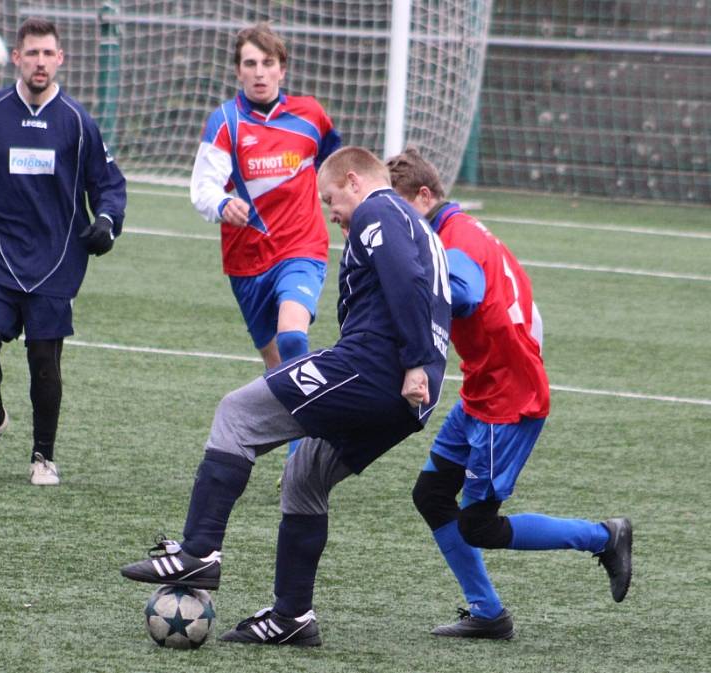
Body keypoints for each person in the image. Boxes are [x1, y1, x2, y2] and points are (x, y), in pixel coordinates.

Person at [121, 147, 452, 647]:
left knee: (236, 413)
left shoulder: (379, 209)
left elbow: (405, 282)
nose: (331, 211)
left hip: (375, 369)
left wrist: (411, 362)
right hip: (410, 397)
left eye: (331, 199)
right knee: (305, 475)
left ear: (354, 181)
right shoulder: (419, 225)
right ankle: (292, 615)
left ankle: (199, 551)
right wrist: (420, 366)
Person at [385, 147, 632, 640]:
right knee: (432, 494)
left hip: (507, 399)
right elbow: (523, 306)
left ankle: (605, 537)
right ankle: (488, 613)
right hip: (487, 384)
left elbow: (465, 292)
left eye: (396, 211)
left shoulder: (454, 243)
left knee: (479, 524)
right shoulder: (464, 229)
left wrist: (412, 302)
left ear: (425, 197)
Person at [0, 17, 126, 486]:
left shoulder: (79, 123)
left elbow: (108, 186)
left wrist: (106, 221)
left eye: (48, 53)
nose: (40, 62)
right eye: (32, 53)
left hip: (55, 257)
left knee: (45, 361)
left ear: (60, 58)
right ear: (17, 57)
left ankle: (43, 456)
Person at [190, 23, 340, 464]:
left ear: (282, 69)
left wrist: (348, 206)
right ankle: (305, 424)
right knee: (278, 369)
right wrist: (222, 204)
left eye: (268, 64)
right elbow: (202, 188)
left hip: (302, 249)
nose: (259, 72)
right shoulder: (226, 123)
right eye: (250, 64)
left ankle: (303, 454)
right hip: (247, 262)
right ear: (238, 72)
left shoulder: (310, 115)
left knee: (293, 338)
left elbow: (335, 163)